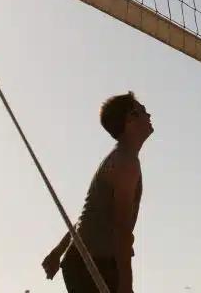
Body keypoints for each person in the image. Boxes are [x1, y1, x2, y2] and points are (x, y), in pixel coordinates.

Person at [41, 92, 153, 293]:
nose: (149, 115)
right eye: (143, 110)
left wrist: (57, 252)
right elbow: (122, 230)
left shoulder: (121, 159)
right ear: (130, 119)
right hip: (90, 265)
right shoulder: (125, 163)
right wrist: (126, 286)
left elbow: (90, 217)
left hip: (92, 262)